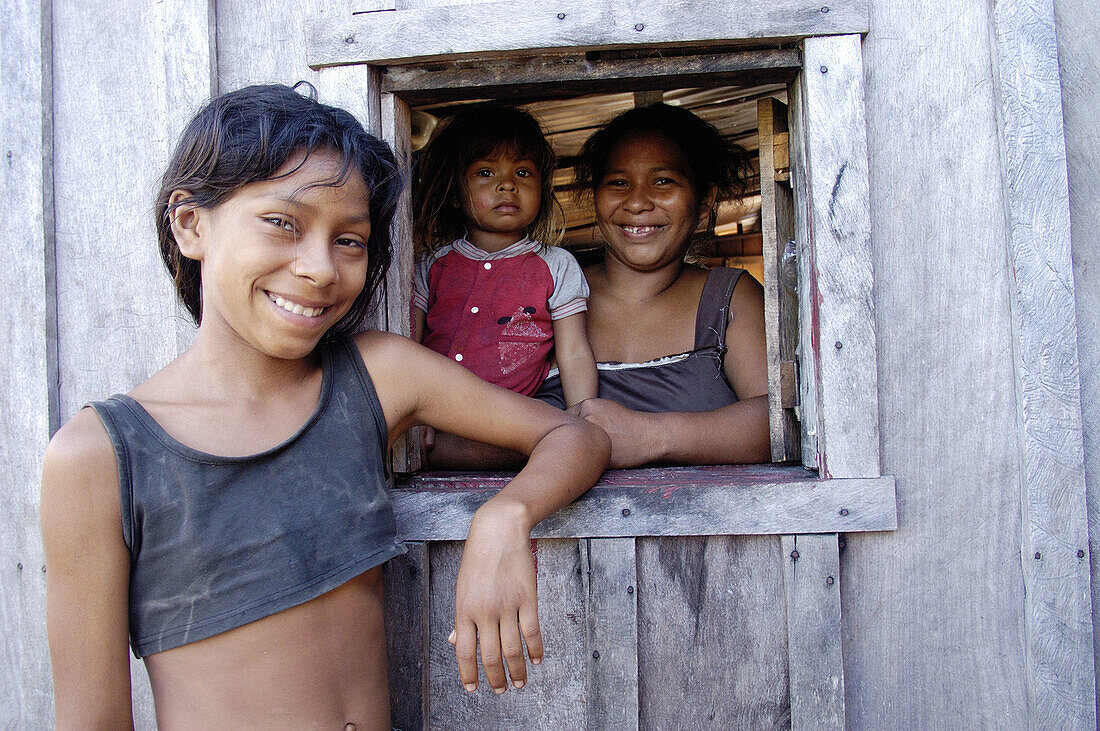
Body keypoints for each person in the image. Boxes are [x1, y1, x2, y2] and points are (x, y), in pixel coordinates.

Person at [40, 84, 610, 729]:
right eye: (283, 223)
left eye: (351, 240)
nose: (320, 268)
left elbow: (577, 437)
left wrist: (505, 517)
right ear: (190, 223)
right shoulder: (102, 455)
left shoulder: (374, 378)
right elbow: (91, 719)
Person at [535, 103, 771, 467]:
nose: (637, 202)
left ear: (705, 199)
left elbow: (777, 421)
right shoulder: (545, 292)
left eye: (663, 181)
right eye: (618, 182)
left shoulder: (731, 298)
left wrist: (650, 436)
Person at [412, 104, 597, 407]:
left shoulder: (557, 266)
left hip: (517, 421)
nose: (508, 184)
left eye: (523, 172)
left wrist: (583, 419)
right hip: (436, 415)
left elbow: (574, 351)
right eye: (485, 172)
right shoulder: (430, 265)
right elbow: (409, 346)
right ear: (456, 194)